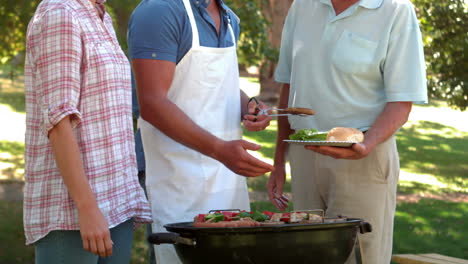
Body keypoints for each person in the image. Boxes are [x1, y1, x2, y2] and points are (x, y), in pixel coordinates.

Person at [267, 0, 428, 263]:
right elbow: (289, 86)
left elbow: (401, 103)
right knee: (308, 255)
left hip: (363, 158)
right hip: (303, 156)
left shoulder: (396, 11)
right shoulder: (302, 6)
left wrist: (367, 144)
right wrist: (278, 162)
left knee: (360, 256)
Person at [128, 0, 274, 263]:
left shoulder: (230, 19)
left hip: (224, 174)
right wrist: (220, 150)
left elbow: (214, 85)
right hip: (173, 173)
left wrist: (248, 106)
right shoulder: (159, 11)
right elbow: (151, 104)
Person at [23, 0, 152, 263]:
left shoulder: (100, 15)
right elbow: (59, 121)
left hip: (116, 201)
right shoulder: (59, 13)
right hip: (73, 213)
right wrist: (87, 207)